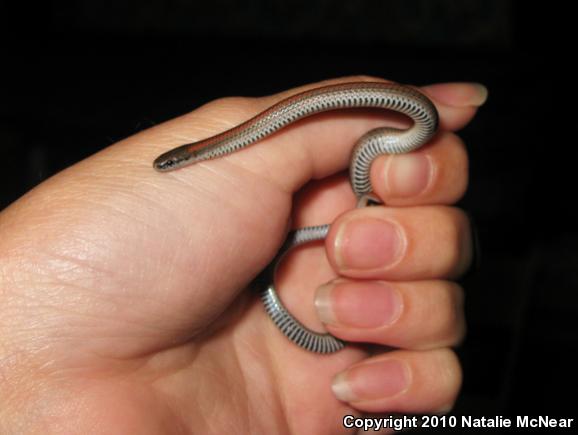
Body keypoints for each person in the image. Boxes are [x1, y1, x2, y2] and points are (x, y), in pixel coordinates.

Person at [0, 76, 486, 434]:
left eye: (175, 163)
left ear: (190, 156)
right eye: (175, 164)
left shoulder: (250, 140)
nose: (171, 168)